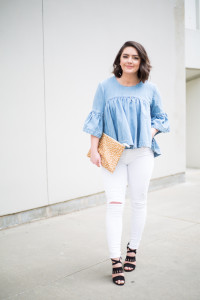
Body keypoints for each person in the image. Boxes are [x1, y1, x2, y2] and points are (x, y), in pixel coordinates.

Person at [82, 41, 170, 286]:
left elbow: (161, 118)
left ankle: (133, 249)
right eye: (125, 56)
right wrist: (93, 150)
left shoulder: (150, 89)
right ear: (119, 60)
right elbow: (96, 118)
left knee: (139, 202)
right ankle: (115, 260)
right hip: (113, 153)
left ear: (141, 61)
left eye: (135, 57)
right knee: (114, 205)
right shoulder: (104, 87)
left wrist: (148, 134)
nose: (130, 61)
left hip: (142, 153)